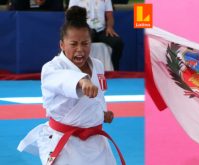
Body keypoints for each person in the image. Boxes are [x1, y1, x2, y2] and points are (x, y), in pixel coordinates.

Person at [17, 6, 125, 165]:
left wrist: (102, 114)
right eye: (73, 44)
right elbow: (63, 80)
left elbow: (97, 98)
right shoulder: (52, 68)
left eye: (85, 43)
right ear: (62, 44)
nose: (80, 49)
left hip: (96, 142)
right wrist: (82, 81)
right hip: (64, 143)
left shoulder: (98, 65)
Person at [68, 0, 124, 70]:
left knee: (118, 42)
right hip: (85, 31)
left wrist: (109, 27)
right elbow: (71, 16)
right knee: (78, 43)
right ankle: (76, 69)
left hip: (101, 30)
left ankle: (115, 70)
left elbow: (109, 16)